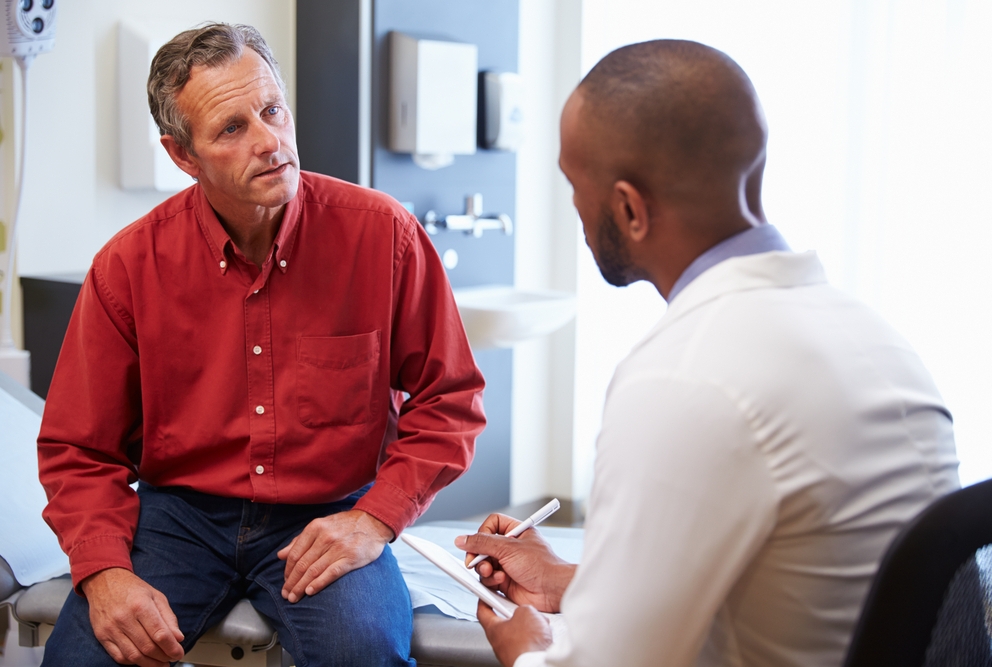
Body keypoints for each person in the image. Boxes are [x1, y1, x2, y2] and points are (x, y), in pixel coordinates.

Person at [456, 39, 958, 667]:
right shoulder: (874, 339)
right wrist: (569, 581)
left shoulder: (683, 378)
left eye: (574, 184)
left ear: (630, 208)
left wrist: (523, 653)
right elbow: (798, 582)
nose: (576, 209)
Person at [37, 23, 486, 667]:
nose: (270, 142)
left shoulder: (384, 234)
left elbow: (451, 397)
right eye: (231, 129)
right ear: (182, 155)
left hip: (329, 512)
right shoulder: (128, 267)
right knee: (82, 660)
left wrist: (377, 518)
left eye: (272, 110)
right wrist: (102, 569)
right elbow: (78, 447)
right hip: (178, 519)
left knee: (362, 653)